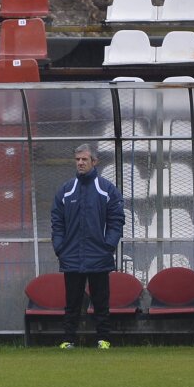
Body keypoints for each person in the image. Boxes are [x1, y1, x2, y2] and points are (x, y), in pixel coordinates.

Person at [50, 142, 124, 349]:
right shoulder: (65, 190)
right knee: (72, 302)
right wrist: (60, 247)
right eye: (77, 160)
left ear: (95, 161)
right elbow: (57, 221)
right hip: (71, 256)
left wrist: (107, 246)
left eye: (84, 159)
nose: (80, 163)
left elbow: (117, 220)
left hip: (99, 255)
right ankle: (68, 339)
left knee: (101, 301)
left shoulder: (106, 189)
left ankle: (104, 339)